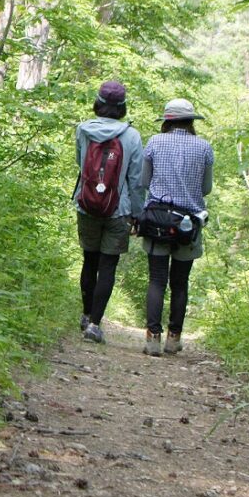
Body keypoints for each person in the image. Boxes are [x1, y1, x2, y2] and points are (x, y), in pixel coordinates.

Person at [72, 79, 146, 345]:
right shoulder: (132, 136)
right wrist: (138, 214)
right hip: (119, 209)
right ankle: (95, 324)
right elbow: (136, 180)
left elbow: (80, 165)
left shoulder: (83, 130)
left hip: (86, 204)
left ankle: (85, 313)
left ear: (98, 102)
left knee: (89, 260)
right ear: (122, 106)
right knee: (108, 266)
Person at [139, 98, 214, 357]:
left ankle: (152, 338)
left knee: (157, 280)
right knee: (180, 283)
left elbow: (145, 181)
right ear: (192, 121)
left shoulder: (154, 143)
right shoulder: (204, 147)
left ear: (167, 121)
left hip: (158, 219)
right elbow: (206, 189)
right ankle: (174, 338)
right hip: (188, 223)